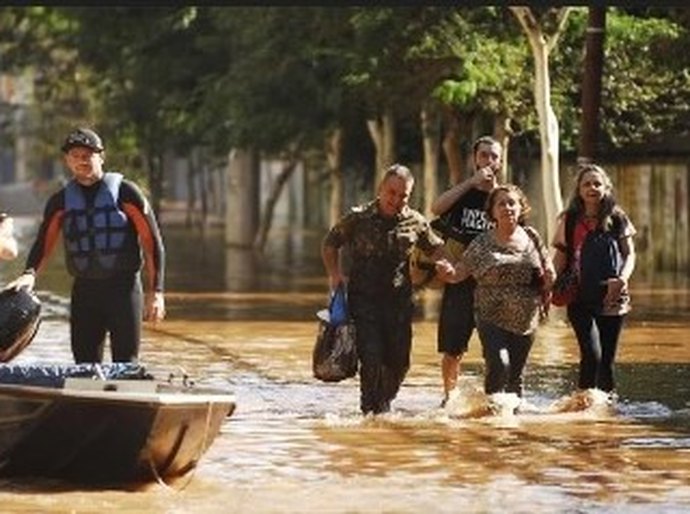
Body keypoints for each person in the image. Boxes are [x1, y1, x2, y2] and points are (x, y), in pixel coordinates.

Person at [5, 127, 166, 363]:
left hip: (124, 291)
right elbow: (44, 243)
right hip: (85, 292)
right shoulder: (60, 202)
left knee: (126, 363)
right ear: (67, 160)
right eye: (75, 155)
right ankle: (87, 399)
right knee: (84, 366)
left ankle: (123, 397)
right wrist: (29, 274)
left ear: (101, 156)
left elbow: (153, 243)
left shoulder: (126, 193)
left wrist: (157, 293)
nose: (81, 160)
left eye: (87, 154)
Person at [321, 164, 447, 415]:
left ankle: (383, 404)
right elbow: (330, 243)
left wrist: (441, 268)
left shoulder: (416, 222)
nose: (396, 200)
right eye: (392, 192)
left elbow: (437, 249)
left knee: (400, 363)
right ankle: (371, 414)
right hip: (363, 301)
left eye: (403, 196)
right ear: (380, 189)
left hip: (399, 303)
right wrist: (334, 275)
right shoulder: (358, 218)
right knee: (372, 358)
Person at [437, 184, 555, 406]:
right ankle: (491, 414)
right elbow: (461, 271)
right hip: (490, 315)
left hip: (526, 320)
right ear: (492, 211)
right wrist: (448, 272)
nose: (507, 208)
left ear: (521, 208)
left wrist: (550, 276)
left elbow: (547, 264)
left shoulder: (531, 236)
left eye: (512, 203)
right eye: (501, 203)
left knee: (515, 376)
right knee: (500, 364)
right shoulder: (482, 241)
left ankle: (509, 429)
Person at [551, 163, 636, 395]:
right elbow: (560, 257)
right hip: (579, 297)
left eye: (597, 184)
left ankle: (607, 413)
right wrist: (547, 286)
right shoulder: (568, 220)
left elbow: (629, 254)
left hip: (613, 297)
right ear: (579, 190)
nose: (592, 188)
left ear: (606, 188)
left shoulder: (618, 218)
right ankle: (583, 407)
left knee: (607, 362)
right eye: (586, 184)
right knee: (591, 355)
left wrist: (622, 279)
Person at [430, 135, 502, 407]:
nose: (489, 161)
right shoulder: (463, 193)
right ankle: (449, 398)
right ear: (475, 159)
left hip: (494, 286)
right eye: (484, 155)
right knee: (452, 348)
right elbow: (435, 208)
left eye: (494, 156)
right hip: (459, 282)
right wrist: (471, 183)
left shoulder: (504, 198)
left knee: (495, 348)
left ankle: (494, 398)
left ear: (501, 161)